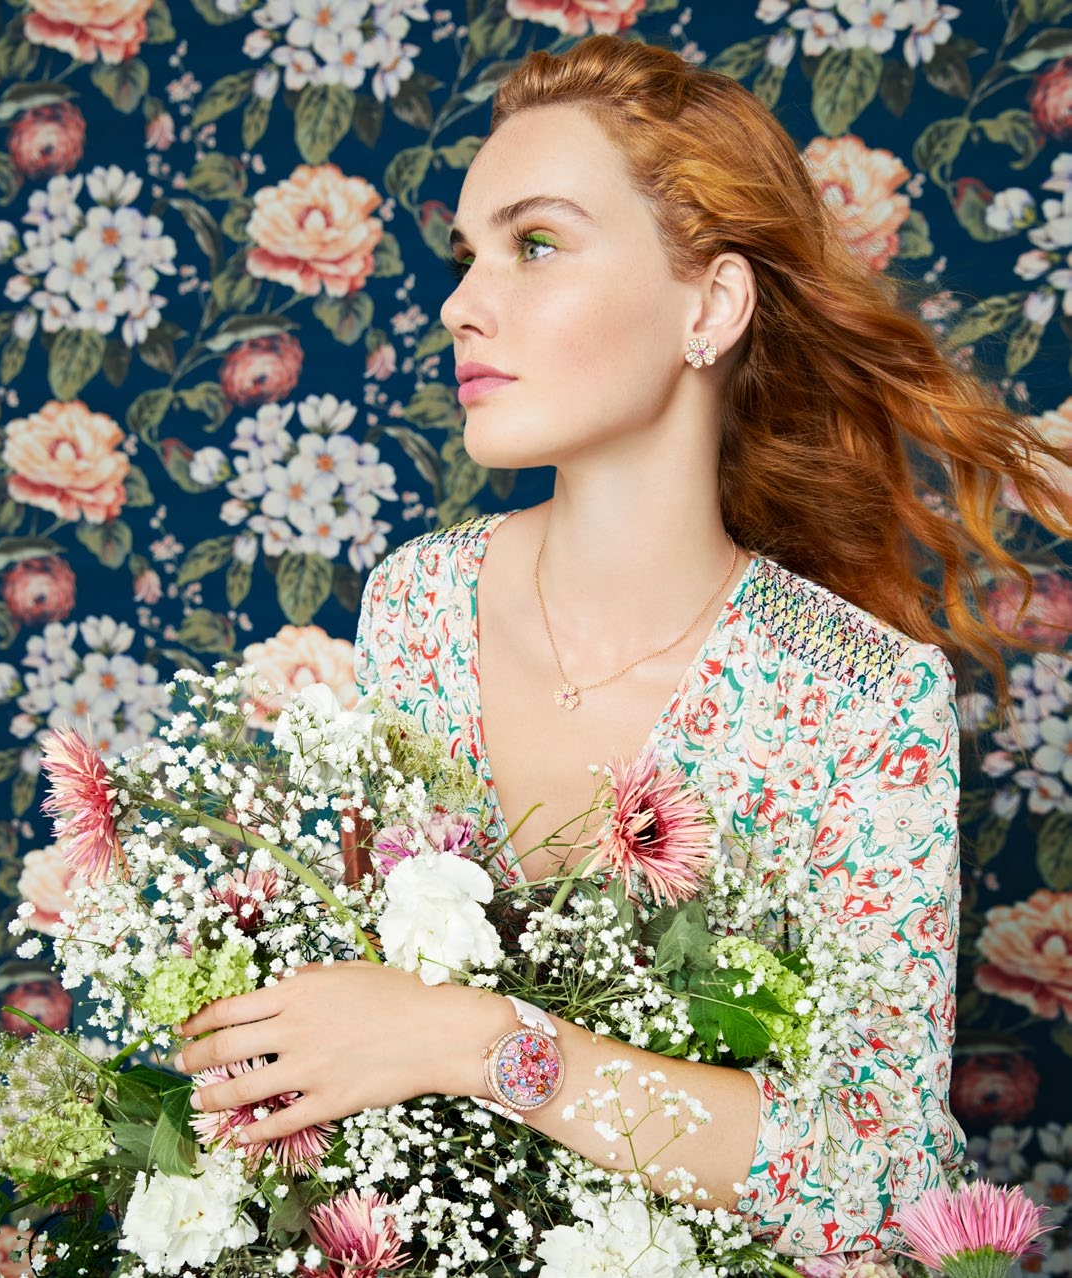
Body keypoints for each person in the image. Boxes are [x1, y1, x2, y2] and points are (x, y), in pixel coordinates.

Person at [176, 34, 1072, 1261]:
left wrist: (474, 1043)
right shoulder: (418, 607)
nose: (458, 304)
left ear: (709, 306)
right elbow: (350, 1018)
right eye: (467, 255)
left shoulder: (859, 698)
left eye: (536, 244)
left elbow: (876, 1173)